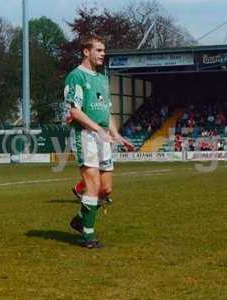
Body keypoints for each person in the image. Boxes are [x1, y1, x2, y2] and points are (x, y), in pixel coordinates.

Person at [64, 34, 134, 249]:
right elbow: (74, 112)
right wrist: (96, 130)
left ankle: (79, 219)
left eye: (104, 50)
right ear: (86, 51)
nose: (103, 54)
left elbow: (107, 112)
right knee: (92, 185)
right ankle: (88, 236)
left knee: (105, 190)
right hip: (85, 135)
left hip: (103, 135)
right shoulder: (75, 77)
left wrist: (116, 134)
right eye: (99, 50)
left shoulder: (103, 79)